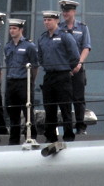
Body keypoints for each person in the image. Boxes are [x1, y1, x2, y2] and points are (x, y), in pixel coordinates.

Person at [37, 10, 80, 143]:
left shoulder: (65, 36)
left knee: (65, 107)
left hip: (62, 75)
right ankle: (50, 137)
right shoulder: (42, 38)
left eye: (49, 20)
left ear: (56, 20)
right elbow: (40, 57)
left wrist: (68, 68)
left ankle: (68, 135)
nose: (46, 22)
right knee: (49, 108)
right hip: (49, 76)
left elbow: (75, 56)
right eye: (45, 20)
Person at [58, 0, 92, 135]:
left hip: (77, 68)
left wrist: (79, 63)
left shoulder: (82, 28)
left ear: (74, 12)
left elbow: (86, 47)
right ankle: (67, 128)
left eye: (67, 11)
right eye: (63, 11)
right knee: (64, 99)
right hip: (63, 69)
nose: (65, 13)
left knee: (78, 99)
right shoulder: (59, 28)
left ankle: (80, 126)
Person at [4, 18, 39, 145]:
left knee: (28, 111)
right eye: (10, 28)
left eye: (14, 28)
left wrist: (31, 81)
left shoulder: (29, 46)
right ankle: (14, 139)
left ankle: (31, 136)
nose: (12, 31)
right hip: (11, 82)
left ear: (21, 30)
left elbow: (35, 66)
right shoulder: (7, 46)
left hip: (24, 82)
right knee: (13, 113)